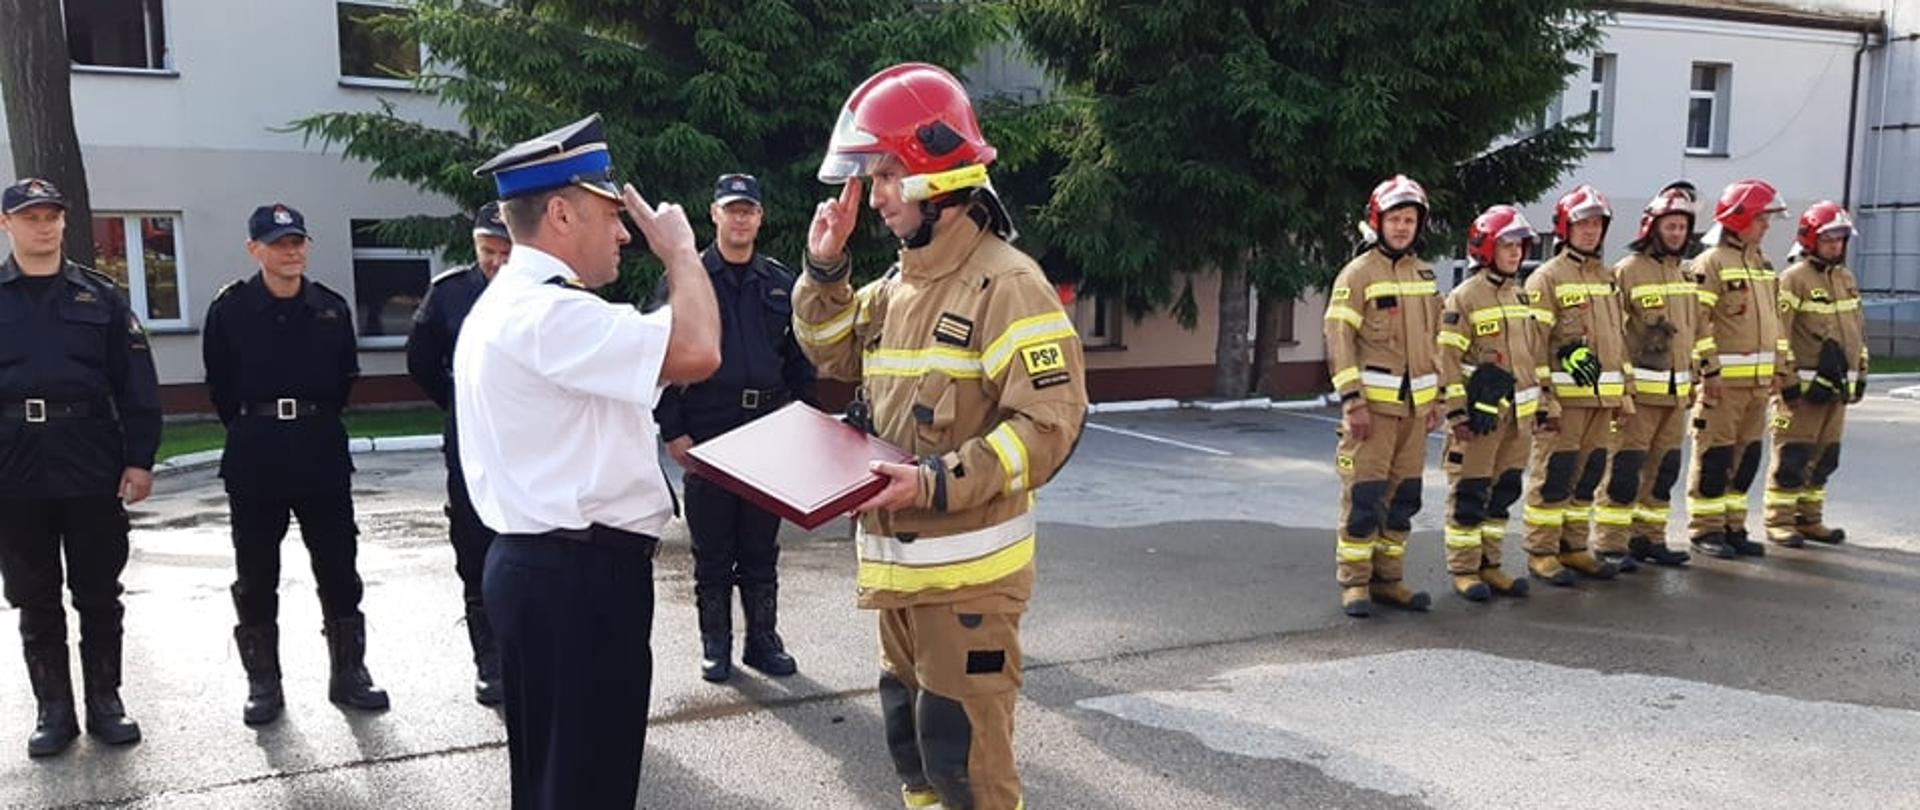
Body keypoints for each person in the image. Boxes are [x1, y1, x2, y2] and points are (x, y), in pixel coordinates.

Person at [792, 62, 1088, 810]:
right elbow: (827, 347)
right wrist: (825, 264)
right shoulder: (900, 286)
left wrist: (932, 483)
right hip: (900, 574)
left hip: (969, 584)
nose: (875, 196)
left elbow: (1050, 426)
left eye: (889, 175)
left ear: (940, 178)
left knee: (968, 771)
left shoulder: (1007, 285)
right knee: (916, 756)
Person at [457, 113, 721, 809]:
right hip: (576, 579)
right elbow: (699, 350)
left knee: (558, 784)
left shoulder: (516, 304)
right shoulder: (551, 314)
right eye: (611, 214)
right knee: (584, 789)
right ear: (562, 213)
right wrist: (682, 253)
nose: (625, 233)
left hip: (551, 571)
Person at [202, 203, 387, 725]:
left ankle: (349, 673)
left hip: (319, 447)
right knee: (256, 572)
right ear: (254, 249)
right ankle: (264, 683)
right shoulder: (231, 309)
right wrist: (254, 423)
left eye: (297, 242)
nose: (291, 252)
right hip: (256, 450)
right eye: (279, 244)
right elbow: (220, 384)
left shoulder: (330, 307)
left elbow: (344, 379)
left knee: (339, 565)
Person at [0, 178, 159, 757]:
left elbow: (136, 384)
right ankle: (54, 711)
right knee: (33, 594)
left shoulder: (101, 297)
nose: (44, 226)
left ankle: (106, 702)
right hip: (14, 464)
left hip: (90, 458)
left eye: (52, 216)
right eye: (31, 217)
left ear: (64, 222)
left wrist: (140, 459)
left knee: (98, 592)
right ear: (6, 225)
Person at [655, 173, 817, 683]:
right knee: (712, 551)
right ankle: (716, 644)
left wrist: (807, 425)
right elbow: (658, 356)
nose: (740, 219)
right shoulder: (686, 279)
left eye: (748, 211)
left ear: (760, 218)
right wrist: (673, 430)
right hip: (709, 427)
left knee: (759, 548)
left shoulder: (780, 282)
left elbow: (800, 359)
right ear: (715, 215)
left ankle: (762, 641)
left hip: (767, 427)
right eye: (732, 210)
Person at [406, 201, 512, 705]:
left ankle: (530, 653)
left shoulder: (547, 291)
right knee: (475, 549)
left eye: (506, 250)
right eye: (488, 250)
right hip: (470, 443)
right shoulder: (449, 293)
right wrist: (460, 403)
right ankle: (489, 660)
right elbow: (421, 362)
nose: (497, 260)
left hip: (529, 445)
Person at [1322, 174, 1442, 617]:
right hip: (1372, 413)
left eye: (1410, 220)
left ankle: (1389, 579)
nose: (1402, 227)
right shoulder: (1358, 274)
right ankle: (1355, 583)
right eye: (1395, 219)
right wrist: (1353, 401)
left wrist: (1438, 400)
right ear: (1378, 220)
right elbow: (1338, 338)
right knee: (1364, 497)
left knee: (1403, 498)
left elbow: (1436, 341)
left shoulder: (1424, 275)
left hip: (1415, 412)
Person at [1521, 184, 1628, 585]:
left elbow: (1618, 339)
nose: (1591, 231)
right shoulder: (1546, 279)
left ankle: (1574, 547)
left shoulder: (1607, 277)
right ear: (1565, 227)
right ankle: (1542, 551)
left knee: (1587, 477)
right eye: (1583, 223)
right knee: (1553, 477)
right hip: (1563, 404)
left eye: (1597, 224)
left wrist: (1624, 392)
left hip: (1602, 401)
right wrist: (1544, 399)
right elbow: (1533, 346)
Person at [1433, 205, 1541, 602]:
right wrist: (1457, 413)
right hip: (1479, 421)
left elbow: (1532, 358)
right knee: (1470, 494)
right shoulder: (1464, 298)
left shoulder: (1521, 296)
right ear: (1486, 247)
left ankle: (1491, 564)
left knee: (1502, 494)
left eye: (1520, 246)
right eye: (1507, 244)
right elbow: (1446, 360)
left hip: (1517, 420)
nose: (1515, 253)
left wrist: (1543, 406)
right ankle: (1464, 570)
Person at [1592, 187, 1700, 569]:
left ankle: (1649, 538)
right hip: (1638, 396)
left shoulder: (1686, 274)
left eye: (1682, 227)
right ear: (1652, 228)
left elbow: (1696, 331)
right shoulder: (1627, 271)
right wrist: (1621, 388)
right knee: (1624, 470)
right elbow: (1612, 332)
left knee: (1663, 471)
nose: (1676, 233)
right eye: (1670, 226)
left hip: (1676, 395)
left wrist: (1697, 378)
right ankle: (1611, 543)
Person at [1685, 179, 1788, 560]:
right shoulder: (1711, 263)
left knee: (1745, 459)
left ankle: (1733, 526)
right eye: (1761, 218)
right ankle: (1706, 529)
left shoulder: (1763, 265)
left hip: (1758, 386)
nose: (1766, 226)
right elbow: (1698, 322)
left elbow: (1775, 324)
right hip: (1723, 387)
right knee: (1715, 457)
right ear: (1739, 218)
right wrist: (1709, 372)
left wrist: (1779, 369)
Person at [1765, 201, 1867, 547]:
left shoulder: (1845, 279)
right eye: (1828, 239)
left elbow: (1857, 330)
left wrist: (1860, 372)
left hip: (1836, 389)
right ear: (1810, 239)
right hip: (1803, 393)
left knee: (1825, 457)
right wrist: (1788, 381)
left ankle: (1809, 519)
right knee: (1792, 456)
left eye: (1840, 239)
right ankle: (1779, 521)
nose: (1836, 246)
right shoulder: (1794, 279)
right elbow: (1779, 334)